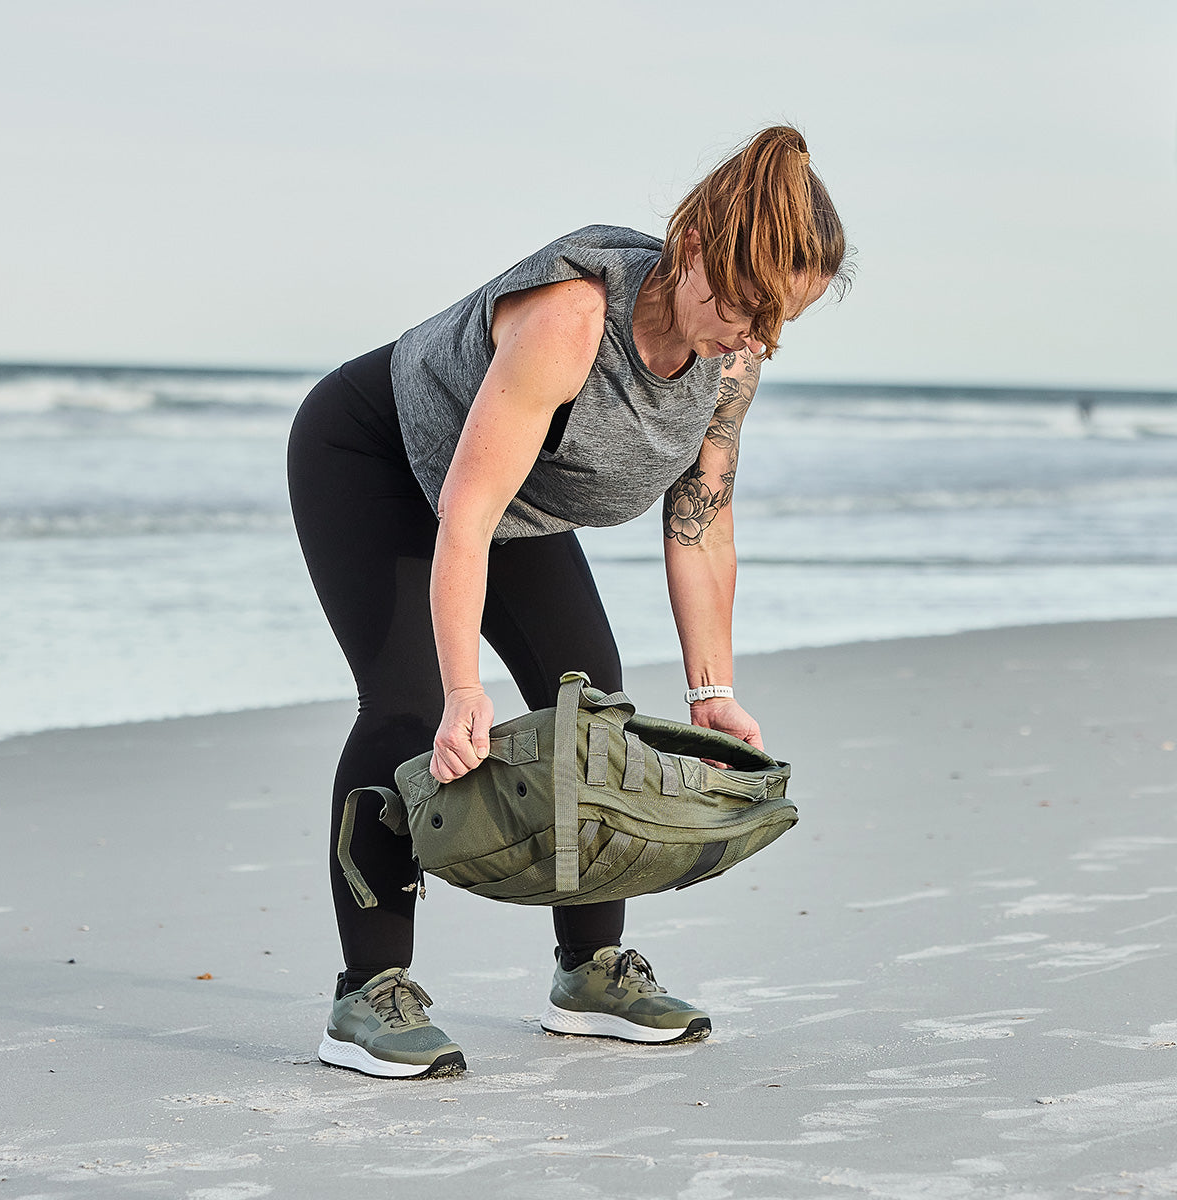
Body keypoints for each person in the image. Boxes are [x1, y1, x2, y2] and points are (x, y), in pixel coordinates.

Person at [287, 125, 849, 1079]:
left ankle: (589, 974)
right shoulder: (571, 317)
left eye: (778, 322)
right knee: (410, 709)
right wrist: (465, 687)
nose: (755, 338)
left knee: (589, 697)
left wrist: (712, 686)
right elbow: (464, 518)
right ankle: (367, 991)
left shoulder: (732, 362)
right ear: (699, 248)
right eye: (750, 307)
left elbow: (702, 521)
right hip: (375, 459)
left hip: (514, 503)